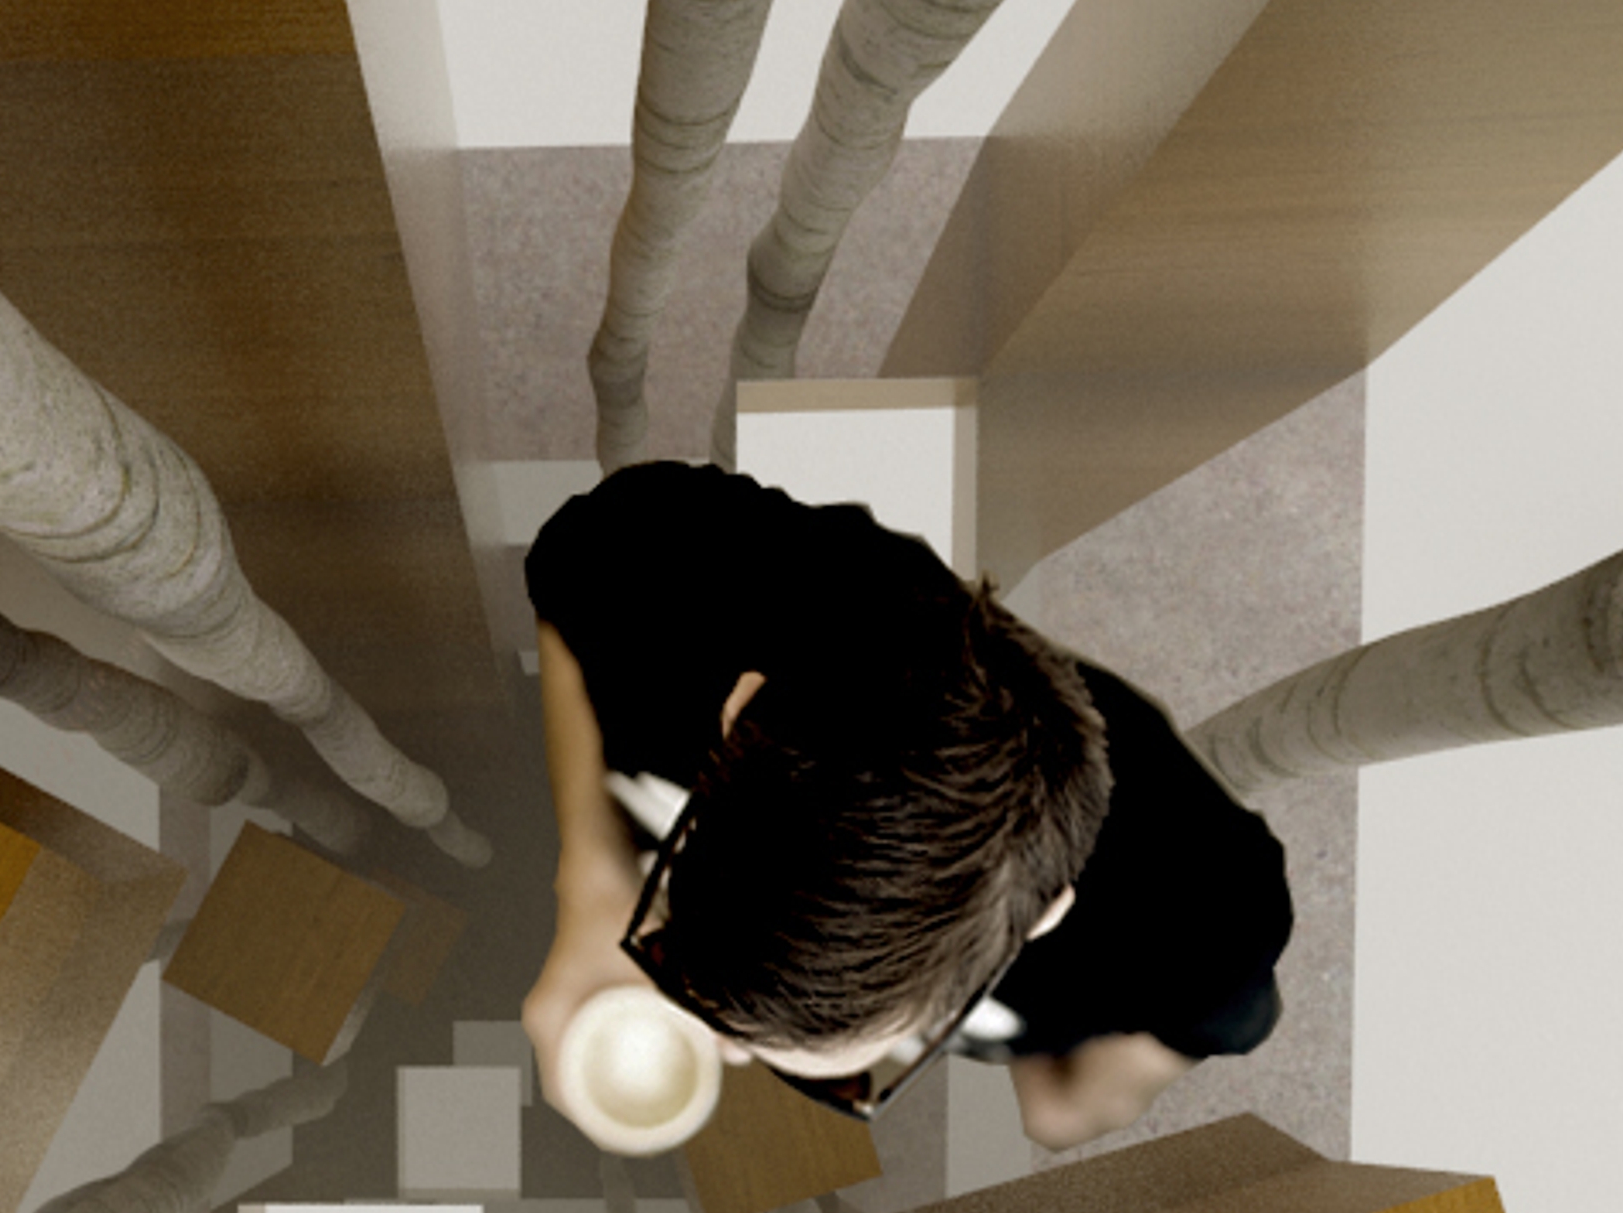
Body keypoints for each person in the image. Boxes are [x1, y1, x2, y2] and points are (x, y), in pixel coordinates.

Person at [522, 459, 1292, 1154]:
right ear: (738, 710)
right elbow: (564, 598)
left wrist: (1075, 1109)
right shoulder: (674, 575)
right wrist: (591, 874)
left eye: (827, 1078)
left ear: (1046, 913)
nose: (725, 1049)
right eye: (676, 958)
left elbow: (1214, 1017)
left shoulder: (1204, 923)